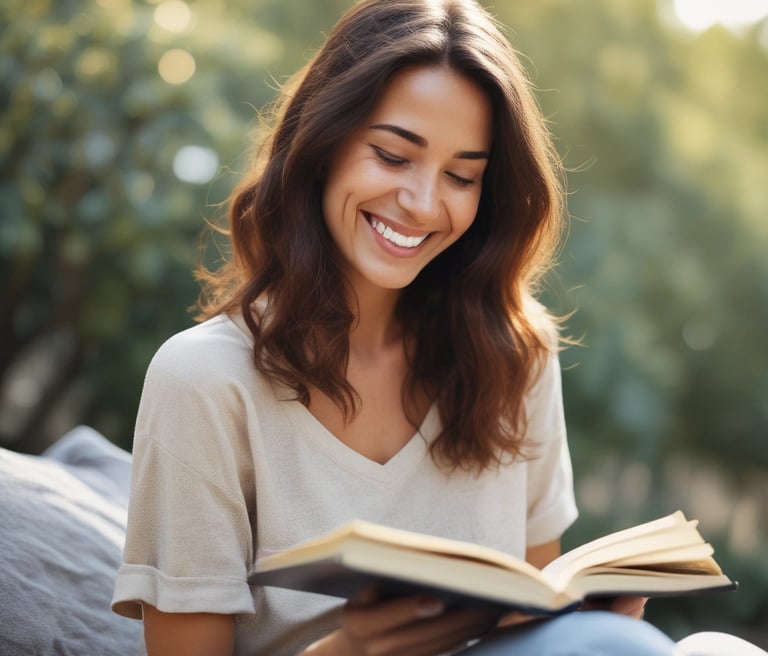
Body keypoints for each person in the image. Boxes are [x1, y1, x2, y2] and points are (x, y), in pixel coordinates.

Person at [111, 1, 766, 655]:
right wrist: (350, 650)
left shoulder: (516, 357)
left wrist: (586, 616)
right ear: (322, 145)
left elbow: (533, 607)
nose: (424, 203)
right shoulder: (203, 381)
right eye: (394, 156)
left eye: (461, 176)